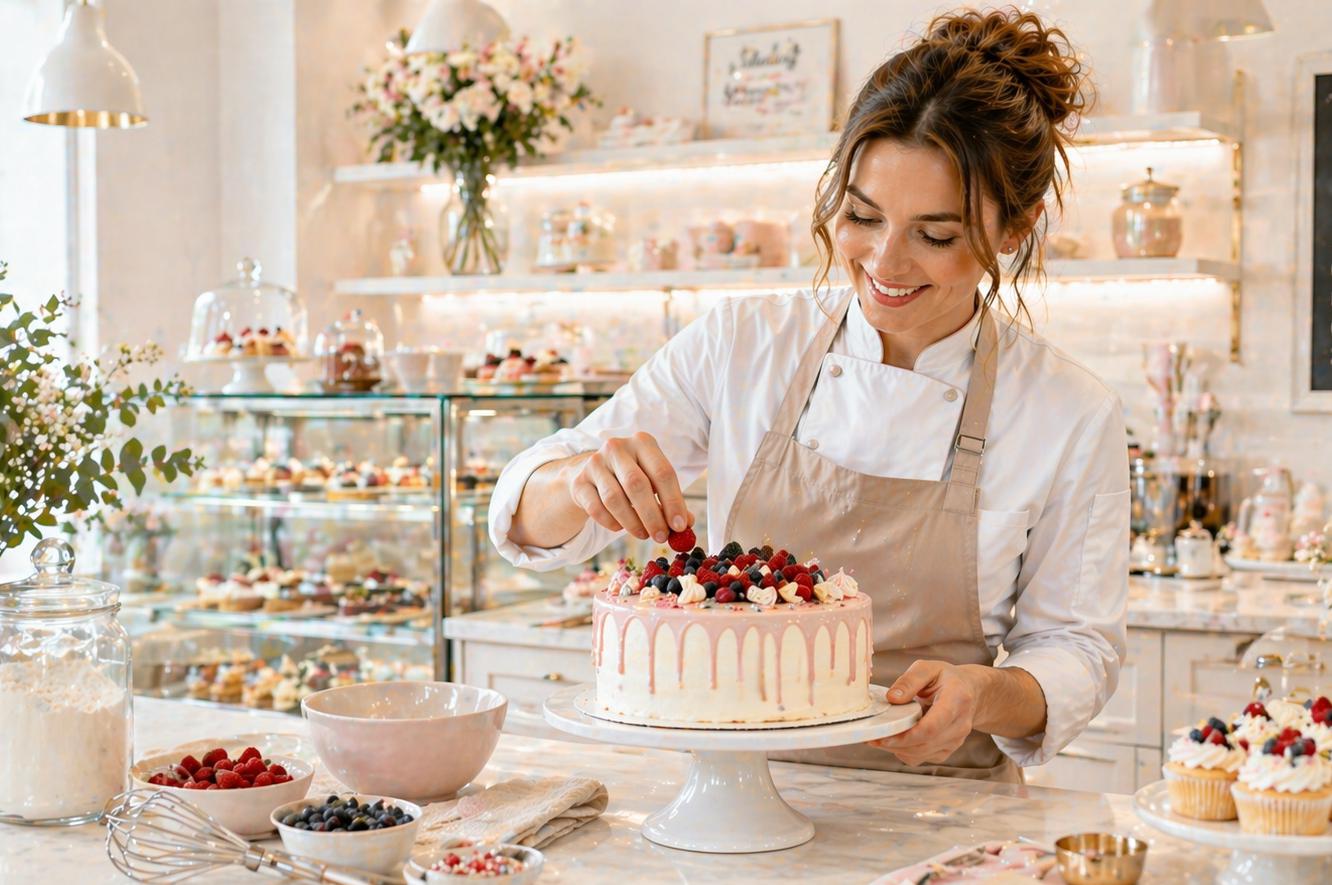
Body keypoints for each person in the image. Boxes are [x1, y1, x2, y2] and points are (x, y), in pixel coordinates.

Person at [488, 7, 1128, 782]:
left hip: (939, 816)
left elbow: (1077, 651)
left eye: (936, 234)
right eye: (861, 216)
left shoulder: (1067, 410)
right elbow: (525, 511)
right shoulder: (742, 343)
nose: (885, 261)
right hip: (731, 790)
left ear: (1014, 229)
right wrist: (581, 480)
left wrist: (984, 693)